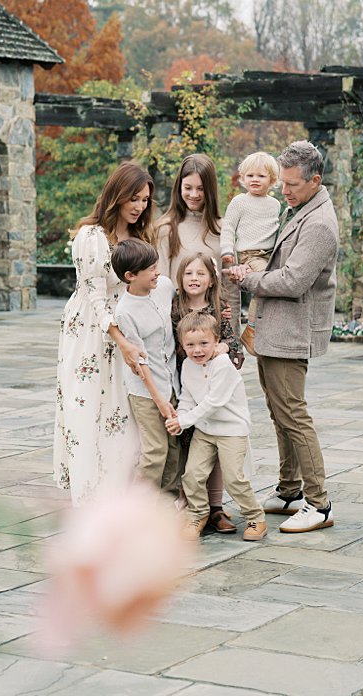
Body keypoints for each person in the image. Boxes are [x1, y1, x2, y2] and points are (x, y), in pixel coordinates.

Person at [228, 140, 339, 533]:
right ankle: (290, 490)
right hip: (275, 328)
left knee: (293, 415)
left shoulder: (320, 223)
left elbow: (293, 281)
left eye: (292, 184)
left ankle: (319, 503)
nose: (284, 190)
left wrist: (248, 278)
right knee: (279, 414)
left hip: (292, 331)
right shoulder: (299, 210)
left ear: (315, 180)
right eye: (284, 182)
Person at [53, 162, 156, 505]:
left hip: (125, 327)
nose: (139, 206)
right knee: (87, 407)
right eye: (134, 198)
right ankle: (89, 498)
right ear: (117, 195)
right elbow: (96, 294)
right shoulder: (91, 236)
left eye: (144, 200)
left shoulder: (140, 236)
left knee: (122, 412)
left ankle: (118, 493)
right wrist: (120, 339)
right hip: (91, 332)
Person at [166, 312, 267, 543]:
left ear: (216, 341)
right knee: (192, 475)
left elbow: (214, 402)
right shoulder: (189, 367)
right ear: (182, 346)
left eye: (204, 343)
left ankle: (255, 516)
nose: (197, 350)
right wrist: (179, 419)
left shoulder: (223, 364)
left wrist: (183, 421)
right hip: (205, 430)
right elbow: (187, 398)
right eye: (190, 345)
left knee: (233, 478)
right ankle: (198, 514)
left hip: (231, 430)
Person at [171, 252, 242, 532]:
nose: (194, 279)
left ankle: (216, 508)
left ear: (212, 280)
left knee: (215, 447)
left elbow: (234, 347)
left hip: (212, 388)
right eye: (189, 273)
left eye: (201, 274)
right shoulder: (173, 308)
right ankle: (190, 506)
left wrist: (223, 347)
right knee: (189, 448)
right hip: (183, 384)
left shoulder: (219, 307)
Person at [111, 238, 182, 495]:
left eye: (156, 265)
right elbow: (139, 365)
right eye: (151, 269)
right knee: (155, 452)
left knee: (174, 448)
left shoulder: (163, 287)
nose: (158, 272)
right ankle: (136, 514)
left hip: (171, 381)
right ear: (130, 276)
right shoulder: (125, 312)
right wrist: (161, 401)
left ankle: (168, 508)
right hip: (146, 391)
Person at [220, 151, 281, 354]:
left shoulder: (275, 205)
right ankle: (251, 330)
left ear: (272, 180)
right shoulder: (239, 202)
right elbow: (228, 227)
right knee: (267, 285)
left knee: (279, 286)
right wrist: (227, 252)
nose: (255, 180)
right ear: (243, 179)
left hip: (270, 255)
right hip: (250, 255)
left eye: (261, 176)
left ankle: (259, 328)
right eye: (250, 175)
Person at [154, 154, 223, 285]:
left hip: (217, 305)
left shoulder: (223, 228)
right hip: (178, 305)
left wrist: (233, 306)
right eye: (188, 188)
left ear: (210, 190)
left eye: (201, 189)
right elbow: (161, 286)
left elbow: (230, 285)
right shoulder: (165, 229)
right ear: (179, 187)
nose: (194, 195)